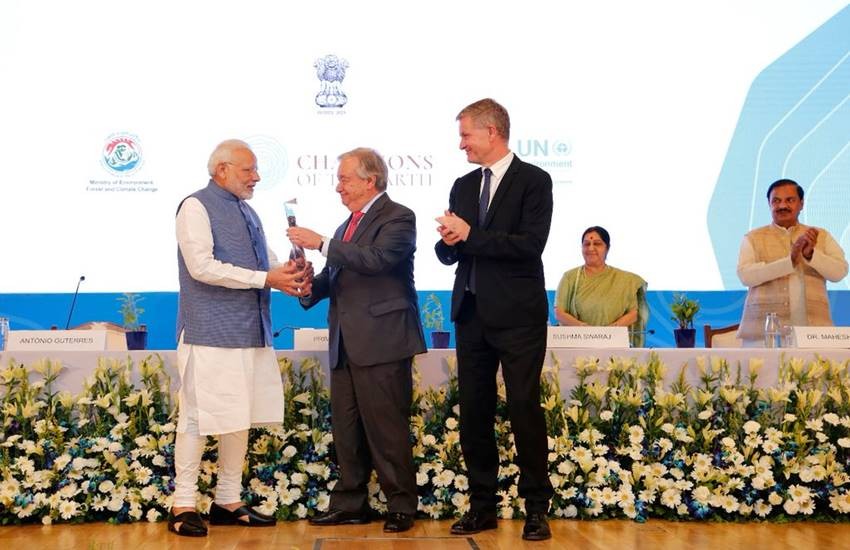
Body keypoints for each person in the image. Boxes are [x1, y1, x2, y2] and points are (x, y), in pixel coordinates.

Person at [171, 139, 312, 537]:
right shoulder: (195, 206)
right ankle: (183, 504)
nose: (257, 177)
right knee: (196, 417)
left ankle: (227, 501)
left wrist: (292, 273)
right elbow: (201, 267)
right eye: (248, 170)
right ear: (222, 170)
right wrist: (268, 277)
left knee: (239, 416)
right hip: (208, 332)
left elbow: (266, 263)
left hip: (249, 331)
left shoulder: (248, 211)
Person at [287, 147, 426, 534]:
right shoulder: (346, 226)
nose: (338, 187)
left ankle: (401, 505)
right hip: (345, 343)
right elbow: (334, 278)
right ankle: (350, 504)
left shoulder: (399, 216)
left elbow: (377, 259)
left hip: (383, 341)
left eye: (345, 179)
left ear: (370, 180)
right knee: (346, 431)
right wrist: (304, 284)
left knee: (387, 429)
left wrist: (321, 243)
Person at [435, 98, 554, 541]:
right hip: (471, 314)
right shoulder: (464, 185)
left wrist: (471, 235)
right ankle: (482, 507)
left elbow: (529, 246)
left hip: (518, 316)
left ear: (491, 132)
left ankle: (536, 509)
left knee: (524, 408)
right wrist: (449, 242)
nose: (461, 144)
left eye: (466, 135)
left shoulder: (534, 181)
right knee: (475, 414)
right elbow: (452, 253)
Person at [737, 178, 847, 346]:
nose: (782, 206)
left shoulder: (820, 235)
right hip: (765, 335)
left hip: (814, 335)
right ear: (769, 204)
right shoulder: (753, 238)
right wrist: (789, 262)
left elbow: (839, 271)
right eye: (776, 201)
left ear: (801, 204)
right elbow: (746, 276)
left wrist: (811, 254)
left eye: (789, 200)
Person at [553, 226, 649, 347]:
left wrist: (609, 331)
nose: (591, 248)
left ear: (607, 248)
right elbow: (559, 312)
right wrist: (583, 328)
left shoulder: (625, 280)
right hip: (577, 342)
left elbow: (633, 314)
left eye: (597, 244)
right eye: (586, 244)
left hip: (614, 343)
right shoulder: (570, 277)